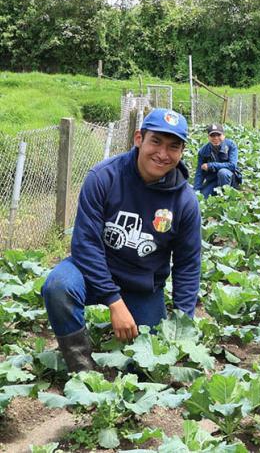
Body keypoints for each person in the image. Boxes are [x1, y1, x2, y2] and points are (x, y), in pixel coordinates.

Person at [41, 109, 202, 373]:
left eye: (173, 147)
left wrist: (183, 325)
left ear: (182, 151)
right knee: (58, 286)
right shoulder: (104, 177)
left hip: (142, 285)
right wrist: (114, 302)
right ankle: (82, 369)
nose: (163, 153)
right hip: (93, 273)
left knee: (143, 367)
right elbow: (85, 244)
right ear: (139, 138)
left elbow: (187, 264)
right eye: (156, 142)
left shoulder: (185, 201)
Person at [193, 123, 242, 199]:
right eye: (212, 135)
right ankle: (216, 192)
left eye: (218, 135)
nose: (215, 138)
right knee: (202, 197)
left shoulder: (231, 145)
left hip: (230, 179)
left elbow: (232, 165)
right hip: (213, 179)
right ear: (208, 137)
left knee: (223, 172)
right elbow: (199, 172)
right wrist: (196, 190)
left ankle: (226, 196)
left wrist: (210, 165)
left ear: (223, 136)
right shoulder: (203, 151)